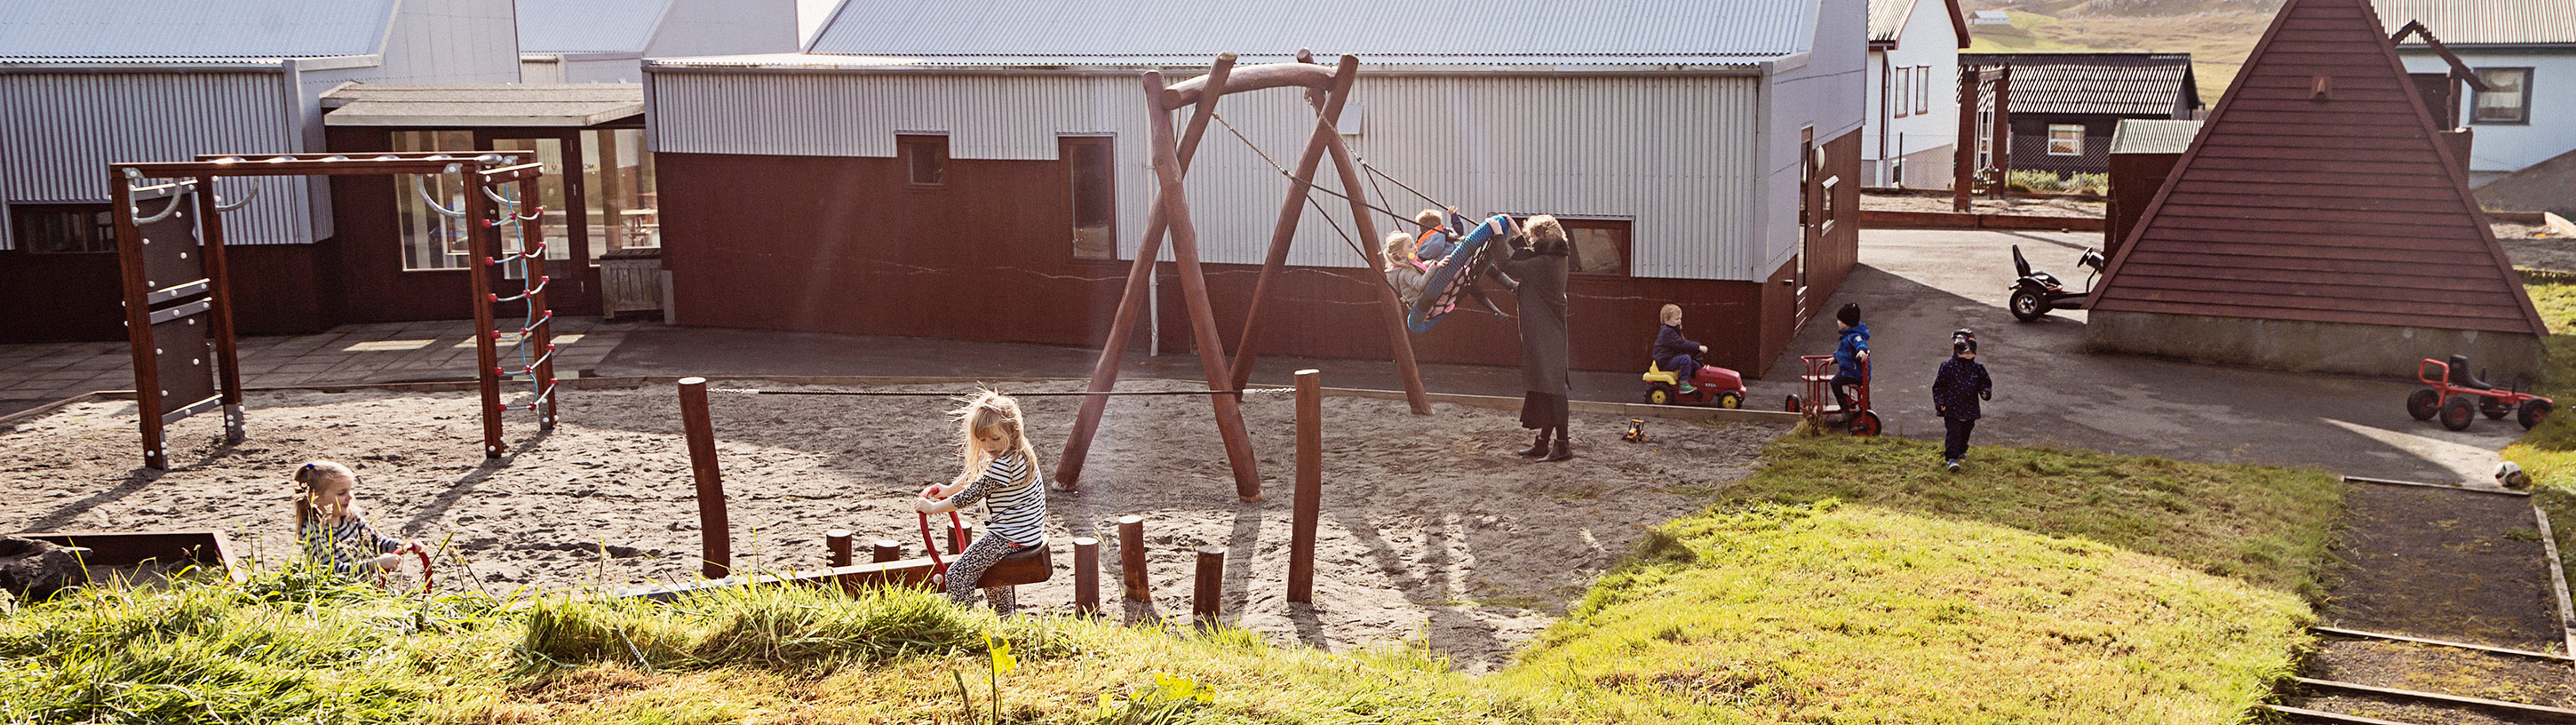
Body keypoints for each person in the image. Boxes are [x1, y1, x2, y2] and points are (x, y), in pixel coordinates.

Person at [914, 390, 1049, 615]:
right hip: (1027, 531)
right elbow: (978, 472)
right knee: (992, 573)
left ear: (1012, 430)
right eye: (983, 439)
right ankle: (1004, 618)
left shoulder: (1005, 465)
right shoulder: (1018, 450)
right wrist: (949, 489)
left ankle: (961, 624)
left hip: (1011, 536)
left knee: (957, 574)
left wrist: (933, 508)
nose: (988, 445)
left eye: (995, 438)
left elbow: (971, 495)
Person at [1495, 215, 1574, 462]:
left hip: (1546, 336)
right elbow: (1529, 257)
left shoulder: (1546, 264)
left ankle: (1563, 446)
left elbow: (1508, 264)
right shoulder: (1554, 258)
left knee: (1553, 391)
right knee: (1546, 388)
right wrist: (1516, 234)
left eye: (1532, 236)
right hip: (1548, 334)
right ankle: (1543, 443)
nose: (1530, 241)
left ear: (1543, 237)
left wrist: (1497, 235)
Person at [292, 460, 418, 578]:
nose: (350, 496)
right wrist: (375, 564)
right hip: (345, 591)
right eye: (341, 493)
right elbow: (332, 571)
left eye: (350, 490)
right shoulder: (313, 531)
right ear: (315, 499)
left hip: (371, 585)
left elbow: (376, 541)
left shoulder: (351, 517)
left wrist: (402, 545)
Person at [1931, 330, 1993, 473]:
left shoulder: (1978, 368)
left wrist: (1985, 392)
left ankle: (1961, 451)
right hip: (1952, 408)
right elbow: (1939, 386)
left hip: (1970, 408)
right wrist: (1940, 402)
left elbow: (1985, 382)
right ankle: (1951, 458)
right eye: (1967, 353)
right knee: (1954, 433)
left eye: (1972, 354)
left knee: (1966, 431)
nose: (1969, 356)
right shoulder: (1948, 366)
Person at [1650, 303, 1710, 394]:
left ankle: (1694, 383)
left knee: (1695, 365)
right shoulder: (1667, 332)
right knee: (1685, 359)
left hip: (1670, 358)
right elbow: (1682, 343)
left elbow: (1681, 342)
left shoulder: (1671, 330)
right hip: (1665, 362)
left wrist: (1678, 330)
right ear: (1666, 320)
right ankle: (1683, 384)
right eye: (1676, 319)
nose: (1679, 321)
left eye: (1680, 319)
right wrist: (1698, 347)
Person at [1830, 303, 1871, 426]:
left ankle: (1845, 410)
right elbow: (1843, 352)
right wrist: (1835, 358)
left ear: (1845, 323)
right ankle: (1865, 407)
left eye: (1839, 320)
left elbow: (1861, 344)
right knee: (1862, 389)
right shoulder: (1847, 336)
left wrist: (1862, 351)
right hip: (1852, 370)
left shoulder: (1854, 336)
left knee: (1835, 382)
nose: (1838, 322)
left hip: (1853, 372)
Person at [1383, 231, 1429, 309]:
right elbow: (1420, 284)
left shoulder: (1410, 265)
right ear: (1400, 254)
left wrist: (1431, 264)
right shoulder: (1406, 271)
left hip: (1424, 299)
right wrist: (1434, 267)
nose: (1415, 247)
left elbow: (1422, 266)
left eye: (1414, 244)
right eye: (1410, 246)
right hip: (1421, 304)